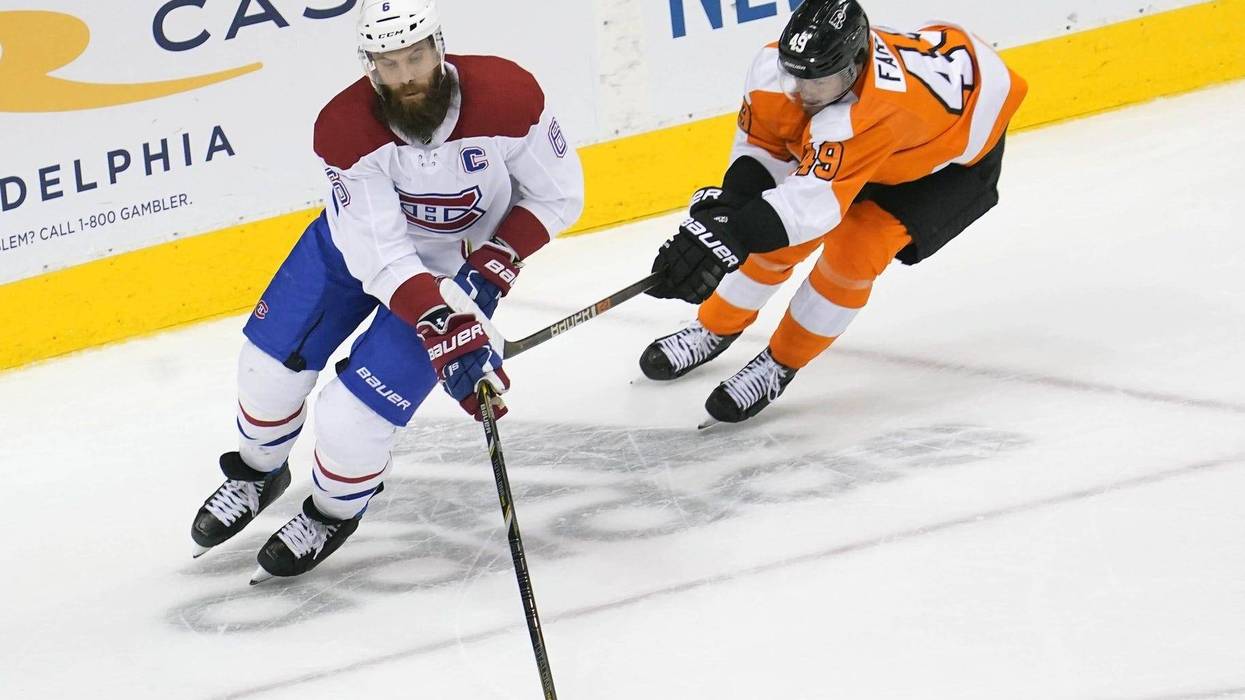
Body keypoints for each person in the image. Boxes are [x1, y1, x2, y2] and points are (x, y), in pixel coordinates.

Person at [188, 0, 584, 583]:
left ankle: (329, 512)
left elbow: (558, 196)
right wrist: (437, 321)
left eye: (416, 57)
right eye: (388, 64)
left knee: (351, 420)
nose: (405, 76)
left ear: (439, 47)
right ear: (369, 66)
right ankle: (257, 470)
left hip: (457, 269)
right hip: (355, 251)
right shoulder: (345, 127)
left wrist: (496, 262)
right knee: (266, 372)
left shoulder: (510, 95)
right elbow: (378, 251)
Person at [641, 0, 1027, 425]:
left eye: (818, 82)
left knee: (854, 248)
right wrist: (728, 213)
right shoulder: (776, 70)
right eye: (795, 76)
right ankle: (714, 327)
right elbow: (763, 153)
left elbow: (810, 208)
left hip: (950, 158)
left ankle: (780, 363)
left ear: (854, 69)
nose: (802, 92)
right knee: (765, 226)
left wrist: (732, 234)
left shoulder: (871, 112)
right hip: (905, 122)